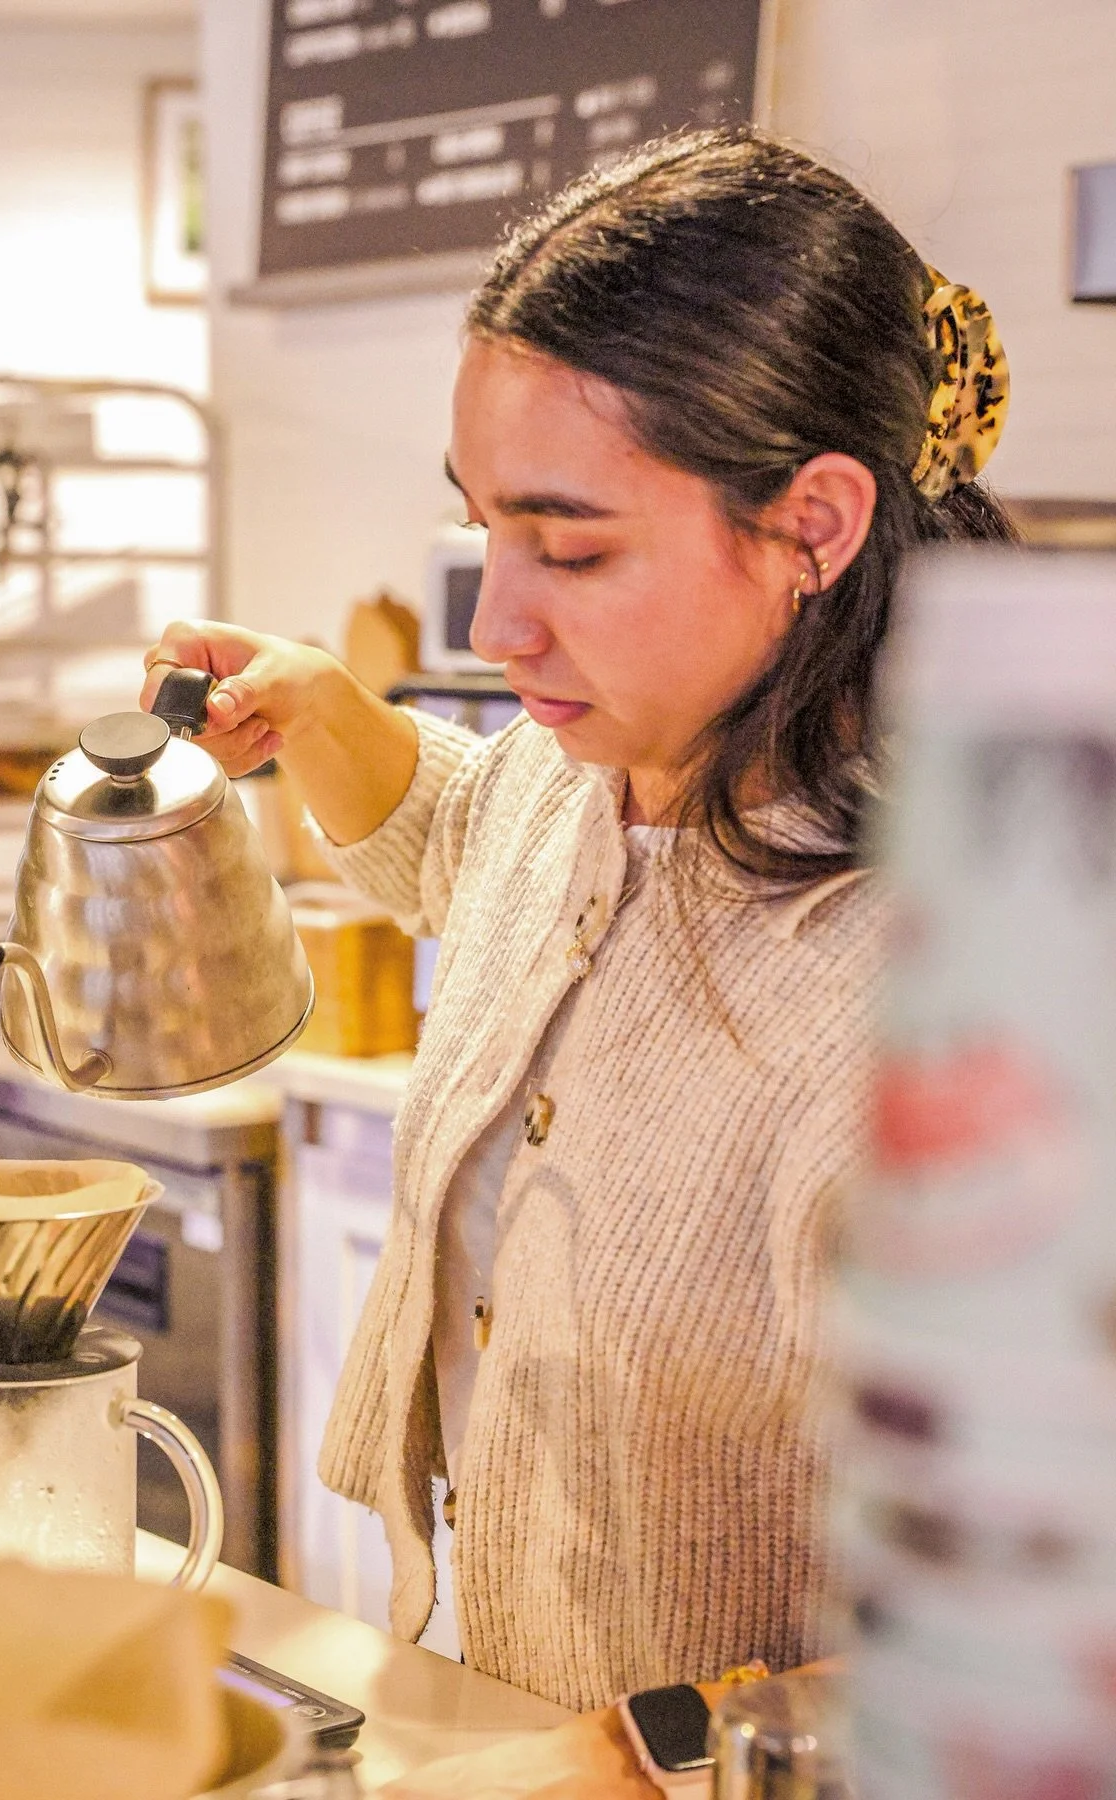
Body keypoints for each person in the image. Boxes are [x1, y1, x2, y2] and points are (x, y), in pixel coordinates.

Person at [141, 127, 1014, 1713]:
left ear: (813, 525)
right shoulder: (598, 774)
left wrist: (621, 1760)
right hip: (510, 1713)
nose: (495, 622)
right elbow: (472, 840)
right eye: (485, 528)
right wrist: (327, 712)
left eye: (573, 546)